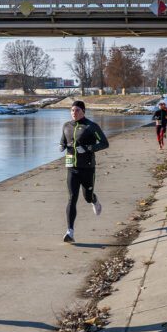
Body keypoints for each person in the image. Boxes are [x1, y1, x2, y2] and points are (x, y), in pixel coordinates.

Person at [59, 100, 109, 243]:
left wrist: (88, 148)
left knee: (86, 197)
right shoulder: (66, 126)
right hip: (71, 168)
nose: (74, 113)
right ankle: (70, 231)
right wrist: (62, 146)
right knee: (72, 198)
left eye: (77, 111)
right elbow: (63, 140)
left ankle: (94, 200)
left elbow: (104, 143)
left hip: (87, 168)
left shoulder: (91, 126)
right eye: (72, 110)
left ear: (83, 112)